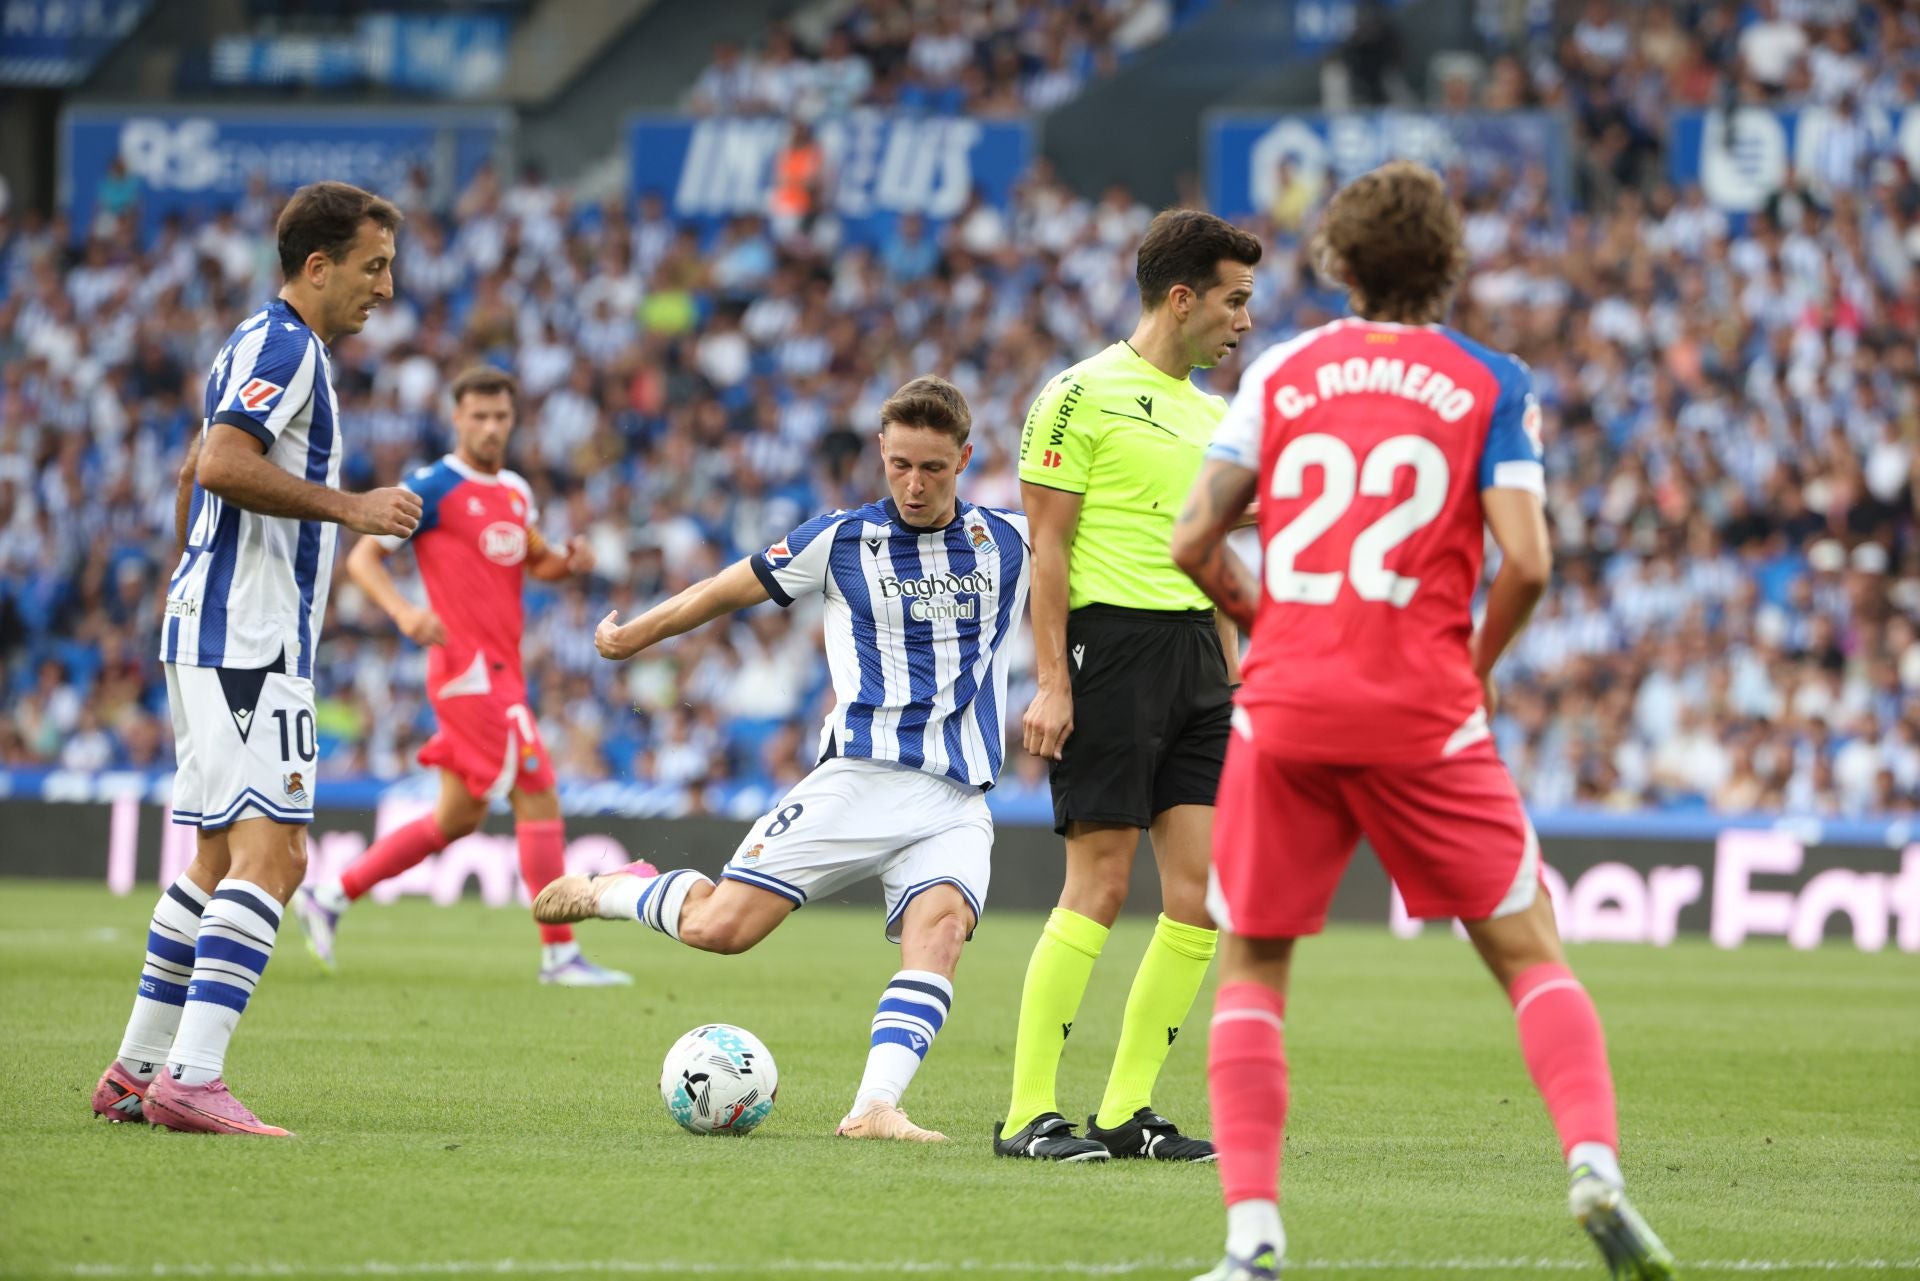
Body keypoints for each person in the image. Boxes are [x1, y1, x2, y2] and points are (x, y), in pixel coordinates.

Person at [1168, 161, 1677, 1280]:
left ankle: (1251, 1242)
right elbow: (1531, 562)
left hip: (1287, 706)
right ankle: (1594, 1164)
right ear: (1449, 263)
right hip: (1423, 711)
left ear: (1338, 264)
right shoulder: (1493, 382)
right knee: (1529, 951)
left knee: (1253, 967)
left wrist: (1269, 624)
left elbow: (1192, 545)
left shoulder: (1285, 373)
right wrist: (1475, 663)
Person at [534, 376, 1031, 1143]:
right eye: (900, 463)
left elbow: (1138, 530)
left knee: (942, 932)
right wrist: (635, 634)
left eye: (934, 467)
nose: (914, 483)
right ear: (880, 452)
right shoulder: (839, 540)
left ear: (965, 458)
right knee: (721, 929)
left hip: (957, 795)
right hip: (859, 780)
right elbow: (720, 590)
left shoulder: (1012, 539)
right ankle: (617, 888)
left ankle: (874, 1107)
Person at [91, 181, 420, 1136]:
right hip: (249, 637)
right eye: (373, 267)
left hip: (214, 622)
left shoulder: (251, 339)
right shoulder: (288, 347)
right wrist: (353, 507)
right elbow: (226, 461)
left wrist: (185, 566)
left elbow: (197, 462)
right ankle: (192, 1077)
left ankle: (137, 1068)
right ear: (316, 267)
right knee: (274, 856)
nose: (385, 289)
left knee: (214, 854)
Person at [997, 208, 1260, 1163]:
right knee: (1100, 885)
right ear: (1181, 297)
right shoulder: (1077, 394)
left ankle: (1127, 1110)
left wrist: (1231, 675)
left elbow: (1217, 550)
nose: (1243, 321)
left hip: (1197, 658)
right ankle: (1029, 1111)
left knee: (1199, 894)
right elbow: (1050, 549)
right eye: (1234, 302)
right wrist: (1050, 684)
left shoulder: (1216, 415)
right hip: (1106, 654)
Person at [288, 367, 632, 987]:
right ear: (457, 418)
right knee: (538, 787)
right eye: (479, 416)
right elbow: (364, 557)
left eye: (501, 416)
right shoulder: (435, 487)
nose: (492, 427)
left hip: (504, 671)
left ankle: (330, 895)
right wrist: (404, 613)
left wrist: (567, 562)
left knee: (456, 819)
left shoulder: (516, 492)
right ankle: (560, 954)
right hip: (468, 673)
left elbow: (532, 561)